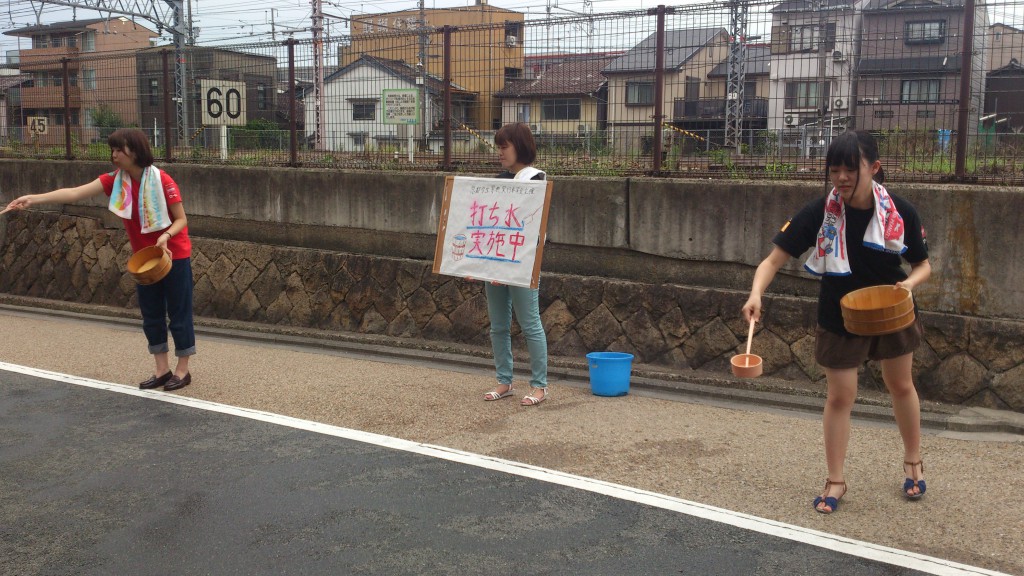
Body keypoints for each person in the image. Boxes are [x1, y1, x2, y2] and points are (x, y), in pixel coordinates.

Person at [741, 130, 931, 514]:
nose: (841, 178)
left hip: (891, 308)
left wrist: (909, 285)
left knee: (900, 385)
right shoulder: (819, 212)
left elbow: (923, 265)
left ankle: (913, 461)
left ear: (874, 168)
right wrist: (756, 293)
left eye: (850, 169)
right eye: (834, 169)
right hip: (839, 313)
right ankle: (836, 480)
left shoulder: (899, 211)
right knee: (840, 396)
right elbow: (773, 260)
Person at [5, 128, 196, 392]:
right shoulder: (116, 181)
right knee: (151, 314)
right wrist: (33, 199)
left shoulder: (162, 180)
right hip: (144, 258)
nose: (114, 155)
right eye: (112, 150)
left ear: (135, 151)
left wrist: (165, 236)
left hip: (173, 254)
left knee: (178, 313)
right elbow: (74, 193)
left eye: (119, 150)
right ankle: (162, 370)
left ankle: (183, 370)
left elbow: (182, 219)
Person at [481, 122, 549, 406]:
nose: (499, 152)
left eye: (504, 147)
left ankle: (539, 386)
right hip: (496, 261)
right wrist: (474, 263)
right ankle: (504, 380)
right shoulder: (499, 180)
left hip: (522, 262)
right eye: (498, 147)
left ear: (519, 146)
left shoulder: (536, 179)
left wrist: (504, 265)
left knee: (530, 323)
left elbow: (529, 228)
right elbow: (486, 226)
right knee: (498, 325)